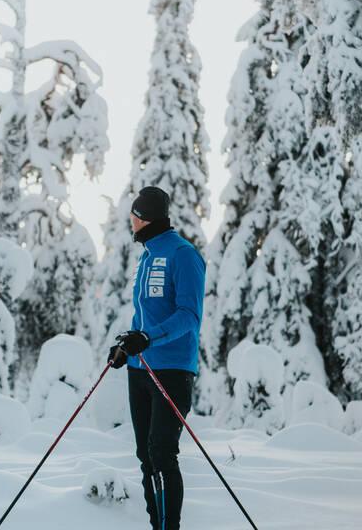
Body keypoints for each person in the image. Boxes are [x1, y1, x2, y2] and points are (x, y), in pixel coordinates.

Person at [107, 185, 206, 530]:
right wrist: (128, 345)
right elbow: (145, 315)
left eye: (134, 215)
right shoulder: (147, 256)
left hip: (172, 369)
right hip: (141, 369)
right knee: (146, 457)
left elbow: (189, 315)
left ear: (144, 217)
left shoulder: (183, 255)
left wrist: (149, 338)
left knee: (162, 454)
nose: (131, 222)